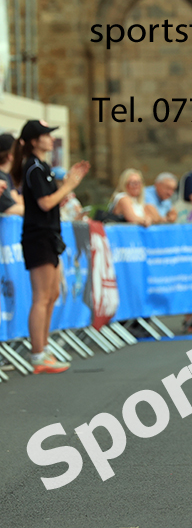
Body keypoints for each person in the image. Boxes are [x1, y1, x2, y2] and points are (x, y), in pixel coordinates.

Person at [10, 120, 89, 373]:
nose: (50, 139)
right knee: (42, 297)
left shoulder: (42, 166)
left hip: (49, 236)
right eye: (45, 135)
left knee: (53, 294)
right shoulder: (32, 166)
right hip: (38, 237)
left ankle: (43, 348)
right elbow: (45, 203)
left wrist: (65, 186)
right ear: (34, 140)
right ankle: (37, 353)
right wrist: (67, 186)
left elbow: (50, 200)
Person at [0, 134, 24, 216]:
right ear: (10, 156)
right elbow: (10, 208)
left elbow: (17, 199)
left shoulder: (8, 176)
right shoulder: (1, 177)